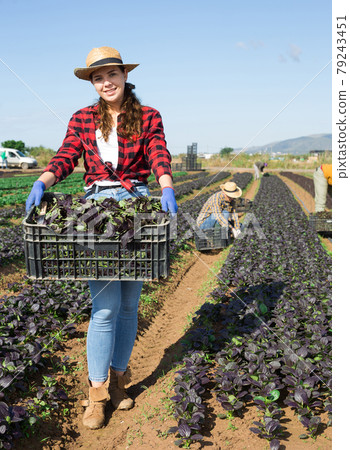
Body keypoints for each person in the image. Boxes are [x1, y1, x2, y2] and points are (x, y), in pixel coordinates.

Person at [25, 46, 178, 430]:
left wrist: (167, 184)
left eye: (112, 74)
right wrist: (42, 181)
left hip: (139, 205)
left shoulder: (147, 116)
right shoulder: (82, 119)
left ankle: (120, 382)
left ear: (125, 76)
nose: (106, 82)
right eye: (98, 77)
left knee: (129, 304)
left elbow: (158, 152)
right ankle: (96, 395)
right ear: (92, 83)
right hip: (97, 211)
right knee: (105, 307)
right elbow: (66, 155)